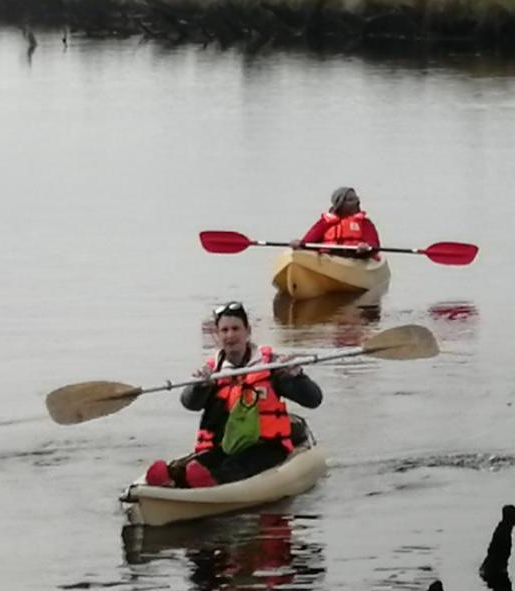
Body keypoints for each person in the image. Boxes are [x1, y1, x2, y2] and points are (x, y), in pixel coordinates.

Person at [145, 302, 323, 488]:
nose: (230, 335)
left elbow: (314, 400)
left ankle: (210, 482)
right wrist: (199, 387)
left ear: (248, 331)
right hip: (225, 446)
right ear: (217, 335)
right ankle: (174, 480)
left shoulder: (271, 366)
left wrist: (295, 376)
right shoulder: (212, 371)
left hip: (266, 446)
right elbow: (190, 404)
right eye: (224, 330)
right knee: (189, 467)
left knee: (229, 467)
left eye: (236, 328)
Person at [291, 186, 381, 259]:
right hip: (329, 258)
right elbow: (307, 242)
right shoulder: (325, 222)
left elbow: (374, 244)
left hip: (356, 257)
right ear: (340, 204)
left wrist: (367, 247)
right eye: (350, 200)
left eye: (356, 199)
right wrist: (299, 244)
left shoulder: (364, 223)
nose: (357, 202)